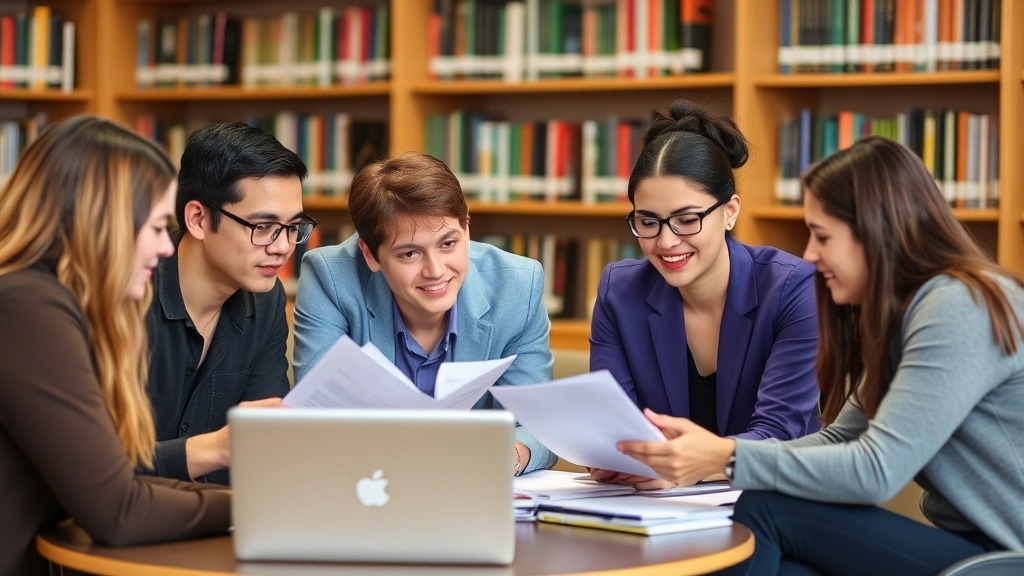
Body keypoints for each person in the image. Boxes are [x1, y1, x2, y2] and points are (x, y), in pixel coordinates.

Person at [619, 136, 1024, 574]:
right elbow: (839, 438)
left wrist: (724, 458)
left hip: (1004, 557)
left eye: (822, 236)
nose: (810, 254)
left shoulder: (957, 304)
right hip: (965, 545)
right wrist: (708, 455)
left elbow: (876, 470)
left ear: (876, 231)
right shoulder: (908, 311)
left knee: (764, 509)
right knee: (787, 564)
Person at [0, 115, 230, 575]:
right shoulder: (28, 308)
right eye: (158, 226)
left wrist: (241, 504)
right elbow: (118, 511)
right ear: (105, 221)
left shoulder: (40, 302)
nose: (167, 248)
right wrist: (253, 512)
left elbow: (119, 479)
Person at [588, 100, 820, 489]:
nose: (666, 241)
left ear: (730, 212)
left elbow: (781, 433)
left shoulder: (793, 289)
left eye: (686, 220)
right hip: (654, 507)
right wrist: (619, 457)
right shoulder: (620, 291)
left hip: (772, 501)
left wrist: (683, 467)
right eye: (648, 221)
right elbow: (616, 426)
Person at [293, 152, 557, 475]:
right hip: (367, 486)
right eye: (409, 253)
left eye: (448, 244)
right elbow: (318, 418)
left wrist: (510, 455)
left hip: (467, 495)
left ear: (467, 229)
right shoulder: (331, 279)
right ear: (370, 255)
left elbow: (538, 427)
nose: (435, 271)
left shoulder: (517, 286)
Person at [144, 122, 313, 485]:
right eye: (264, 226)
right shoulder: (130, 295)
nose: (283, 247)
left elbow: (264, 446)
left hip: (216, 524)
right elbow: (94, 461)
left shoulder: (266, 302)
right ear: (198, 219)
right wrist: (214, 449)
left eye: (293, 227)